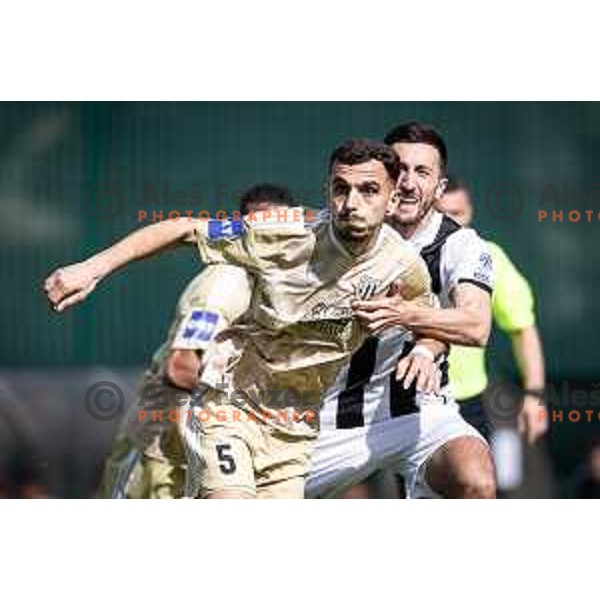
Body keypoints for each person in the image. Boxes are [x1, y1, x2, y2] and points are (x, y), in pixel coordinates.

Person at [44, 138, 443, 499]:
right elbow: (183, 231)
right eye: (341, 189)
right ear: (328, 192)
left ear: (393, 200)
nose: (351, 203)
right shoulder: (279, 238)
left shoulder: (402, 265)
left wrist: (424, 348)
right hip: (228, 407)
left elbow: (432, 319)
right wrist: (92, 268)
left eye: (368, 190)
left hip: (295, 429)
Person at [306, 122, 497, 499]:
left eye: (422, 172)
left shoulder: (461, 245)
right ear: (387, 181)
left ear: (440, 188)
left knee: (475, 480)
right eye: (401, 170)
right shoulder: (324, 230)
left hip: (418, 413)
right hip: (325, 417)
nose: (409, 183)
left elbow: (476, 326)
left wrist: (408, 321)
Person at [98, 184, 291, 498]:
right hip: (163, 439)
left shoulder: (295, 286)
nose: (265, 239)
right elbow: (181, 368)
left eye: (276, 228)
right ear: (237, 229)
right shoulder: (225, 279)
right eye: (255, 227)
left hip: (228, 441)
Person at [434, 178, 547, 444]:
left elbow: (523, 327)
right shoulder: (401, 256)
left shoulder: (489, 257)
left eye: (457, 213)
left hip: (465, 403)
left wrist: (535, 396)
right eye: (440, 214)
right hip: (402, 401)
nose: (449, 222)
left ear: (470, 212)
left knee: (476, 483)